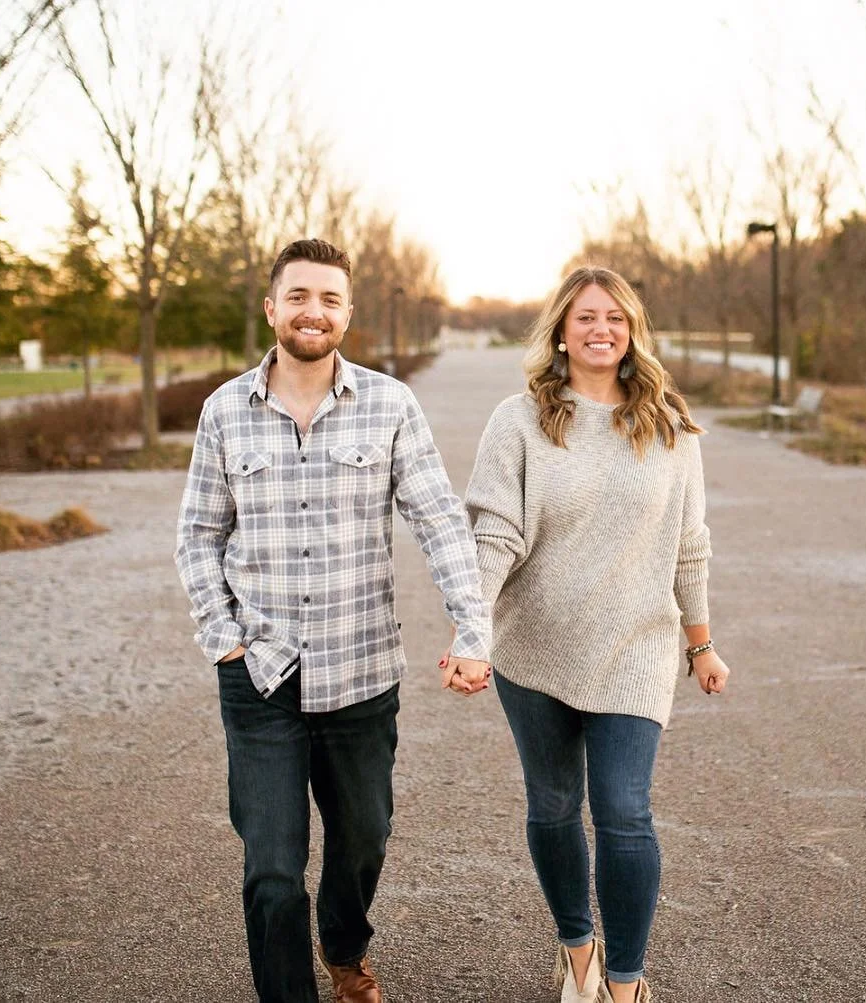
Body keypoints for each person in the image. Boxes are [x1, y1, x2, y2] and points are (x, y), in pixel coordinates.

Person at [174, 238, 492, 1003]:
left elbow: (440, 521)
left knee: (362, 842)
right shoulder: (225, 410)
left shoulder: (389, 404)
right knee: (274, 869)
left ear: (347, 312)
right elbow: (197, 535)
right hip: (261, 677)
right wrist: (225, 640)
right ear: (272, 307)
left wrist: (473, 628)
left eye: (328, 299)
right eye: (298, 296)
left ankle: (344, 943)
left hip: (360, 674)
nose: (312, 311)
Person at [459, 266, 731, 1003]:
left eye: (614, 316)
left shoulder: (670, 427)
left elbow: (690, 542)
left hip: (636, 647)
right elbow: (493, 533)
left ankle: (624, 981)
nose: (600, 328)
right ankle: (577, 947)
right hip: (535, 645)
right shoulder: (517, 421)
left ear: (633, 330)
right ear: (560, 329)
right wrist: (471, 631)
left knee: (623, 809)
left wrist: (700, 643)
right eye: (585, 317)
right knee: (551, 804)